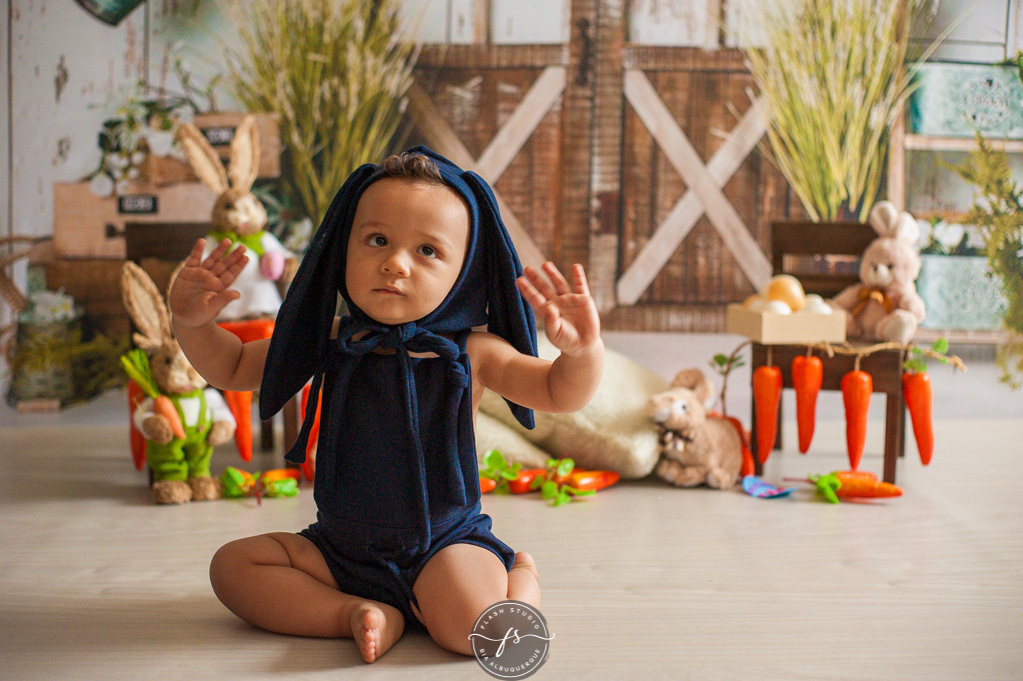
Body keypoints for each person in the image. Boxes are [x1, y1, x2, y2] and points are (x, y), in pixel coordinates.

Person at [169, 147, 604, 663]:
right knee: (233, 567)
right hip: (339, 550)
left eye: (427, 251)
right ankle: (355, 612)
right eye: (377, 240)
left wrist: (582, 352)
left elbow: (558, 391)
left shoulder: (472, 352)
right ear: (342, 251)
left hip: (443, 546)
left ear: (464, 272)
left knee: (475, 633)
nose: (394, 262)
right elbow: (234, 366)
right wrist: (193, 325)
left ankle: (520, 577)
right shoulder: (333, 339)